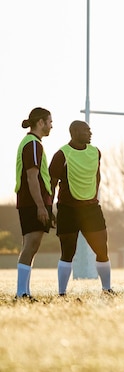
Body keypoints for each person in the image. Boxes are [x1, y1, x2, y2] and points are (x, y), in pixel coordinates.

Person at [49, 120, 113, 296]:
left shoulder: (95, 152)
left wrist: (92, 198)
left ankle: (107, 289)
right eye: (86, 130)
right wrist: (48, 209)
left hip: (91, 209)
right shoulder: (61, 155)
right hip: (67, 209)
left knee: (102, 250)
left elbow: (97, 176)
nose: (90, 133)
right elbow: (52, 184)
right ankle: (62, 293)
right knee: (68, 252)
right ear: (75, 132)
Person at [15, 107, 54, 299]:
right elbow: (32, 177)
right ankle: (21, 293)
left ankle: (25, 292)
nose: (51, 126)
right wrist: (40, 206)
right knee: (31, 245)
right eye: (50, 121)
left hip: (32, 202)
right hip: (32, 203)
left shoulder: (32, 143)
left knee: (31, 246)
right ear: (41, 123)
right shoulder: (33, 144)